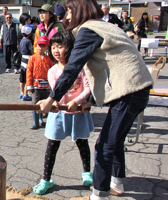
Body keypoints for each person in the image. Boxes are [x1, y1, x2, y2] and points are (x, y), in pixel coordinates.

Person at [37, 0, 153, 199]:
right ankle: (117, 184)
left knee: (104, 145)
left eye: (70, 10)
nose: (67, 16)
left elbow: (73, 67)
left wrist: (51, 99)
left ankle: (99, 194)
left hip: (130, 91)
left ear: (80, 9)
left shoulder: (89, 29)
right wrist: (89, 99)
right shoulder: (104, 25)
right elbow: (99, 69)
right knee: (115, 142)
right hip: (136, 90)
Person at [33, 31, 94, 195]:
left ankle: (87, 173)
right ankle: (46, 179)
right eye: (53, 47)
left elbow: (88, 88)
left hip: (79, 113)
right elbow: (56, 93)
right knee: (52, 146)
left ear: (70, 47)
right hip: (59, 114)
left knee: (82, 144)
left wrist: (77, 102)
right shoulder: (52, 71)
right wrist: (61, 104)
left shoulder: (80, 67)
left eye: (60, 46)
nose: (56, 50)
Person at [26, 36, 53, 129]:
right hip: (36, 85)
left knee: (43, 103)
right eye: (39, 45)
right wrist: (29, 85)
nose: (41, 47)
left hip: (46, 86)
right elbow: (29, 72)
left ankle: (41, 119)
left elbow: (52, 72)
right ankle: (35, 121)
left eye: (43, 46)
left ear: (46, 47)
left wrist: (52, 85)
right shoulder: (32, 58)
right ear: (36, 46)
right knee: (35, 104)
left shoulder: (49, 59)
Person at [19, 25, 34, 101]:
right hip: (28, 59)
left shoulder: (21, 40)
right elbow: (32, 50)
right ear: (29, 33)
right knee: (27, 78)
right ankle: (25, 95)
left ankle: (21, 93)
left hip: (22, 60)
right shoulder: (28, 41)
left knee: (22, 78)